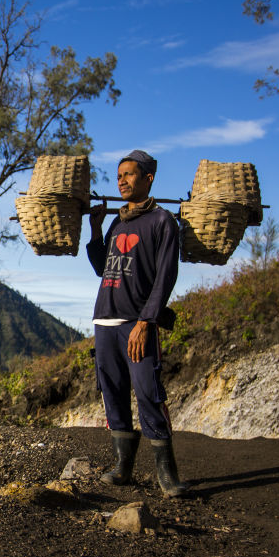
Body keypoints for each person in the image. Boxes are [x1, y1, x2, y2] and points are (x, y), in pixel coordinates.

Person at [85, 149, 188, 497]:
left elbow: (166, 277)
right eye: (118, 176)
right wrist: (97, 230)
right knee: (111, 393)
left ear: (148, 178)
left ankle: (167, 474)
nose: (122, 181)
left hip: (136, 322)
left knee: (148, 391)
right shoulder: (118, 221)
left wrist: (147, 321)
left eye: (129, 175)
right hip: (105, 319)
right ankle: (123, 466)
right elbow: (103, 268)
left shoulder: (162, 222)